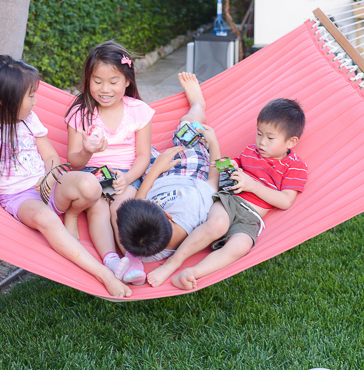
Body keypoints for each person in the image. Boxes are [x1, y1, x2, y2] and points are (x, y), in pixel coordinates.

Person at [0, 55, 131, 298]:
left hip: (49, 185)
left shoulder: (29, 120)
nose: (35, 101)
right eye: (30, 95)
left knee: (91, 184)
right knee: (46, 218)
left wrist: (49, 177)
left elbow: (51, 155)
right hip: (19, 197)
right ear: (5, 99)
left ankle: (71, 214)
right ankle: (103, 274)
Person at [146, 98, 307, 290]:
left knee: (241, 246)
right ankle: (173, 263)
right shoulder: (251, 152)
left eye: (270, 138)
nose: (261, 142)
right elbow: (235, 166)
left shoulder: (295, 167)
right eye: (259, 134)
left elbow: (285, 200)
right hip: (229, 201)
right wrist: (229, 165)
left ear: (291, 142)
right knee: (218, 225)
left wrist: (252, 185)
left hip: (251, 218)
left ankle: (192, 272)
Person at [65, 41, 154, 285]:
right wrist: (86, 150)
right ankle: (111, 260)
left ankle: (133, 258)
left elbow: (144, 155)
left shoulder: (138, 111)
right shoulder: (80, 113)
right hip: (91, 176)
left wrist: (127, 178)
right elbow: (73, 162)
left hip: (127, 174)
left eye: (113, 82)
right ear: (87, 79)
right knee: (98, 208)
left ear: (127, 81)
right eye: (97, 81)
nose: (105, 89)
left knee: (121, 207)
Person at [116, 72, 221, 268]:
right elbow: (214, 179)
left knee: (127, 150)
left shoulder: (140, 245)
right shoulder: (192, 207)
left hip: (156, 177)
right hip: (189, 174)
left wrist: (157, 169)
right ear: (168, 215)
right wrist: (213, 142)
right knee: (187, 127)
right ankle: (198, 104)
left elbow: (140, 200)